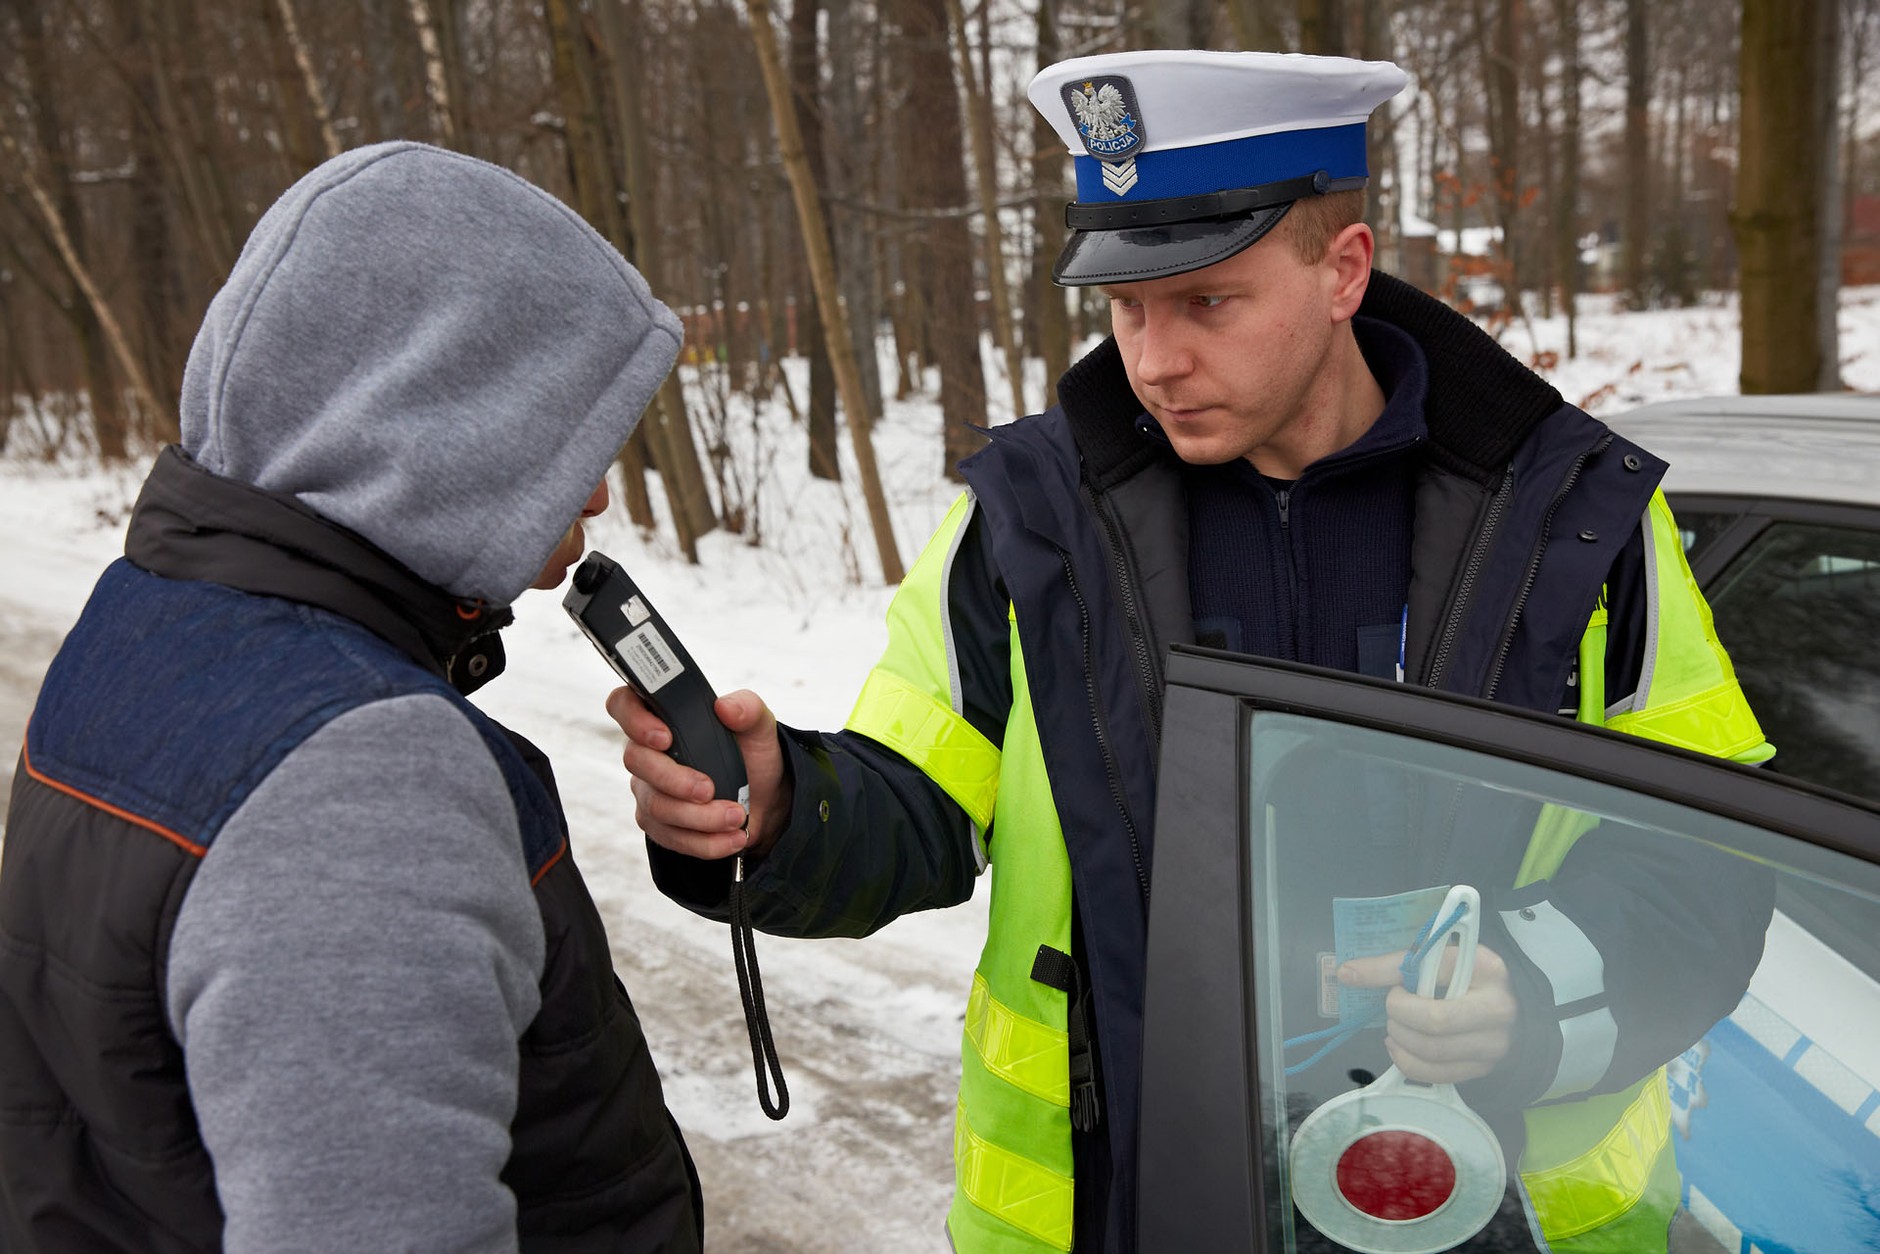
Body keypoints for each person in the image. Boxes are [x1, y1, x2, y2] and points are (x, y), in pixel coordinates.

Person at [613, 51, 1773, 1254]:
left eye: (1205, 303)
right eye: (1124, 309)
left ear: (1341, 270)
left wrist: (1525, 994)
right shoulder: (1027, 523)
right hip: (1131, 1209)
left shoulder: (1569, 521)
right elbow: (920, 803)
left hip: (1488, 1217)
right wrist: (783, 806)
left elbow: (1703, 861)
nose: (1152, 360)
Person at [0, 142, 701, 1252]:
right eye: (567, 432)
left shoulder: (149, 622)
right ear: (440, 417)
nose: (600, 489)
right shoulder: (363, 778)